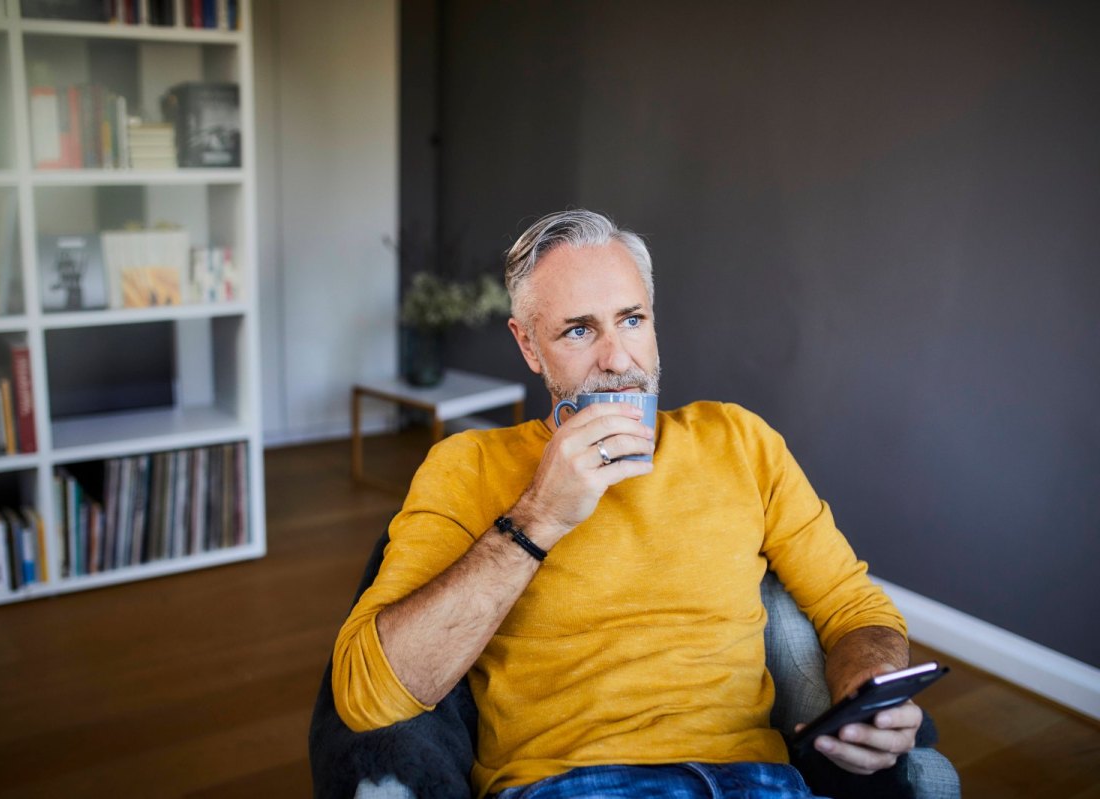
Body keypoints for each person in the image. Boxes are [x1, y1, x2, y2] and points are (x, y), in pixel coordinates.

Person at [332, 209, 924, 798]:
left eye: (632, 320)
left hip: (758, 783)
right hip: (573, 786)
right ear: (529, 346)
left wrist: (869, 690)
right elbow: (368, 692)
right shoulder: (468, 464)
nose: (618, 360)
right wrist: (539, 517)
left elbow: (855, 609)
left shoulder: (739, 441)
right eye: (579, 330)